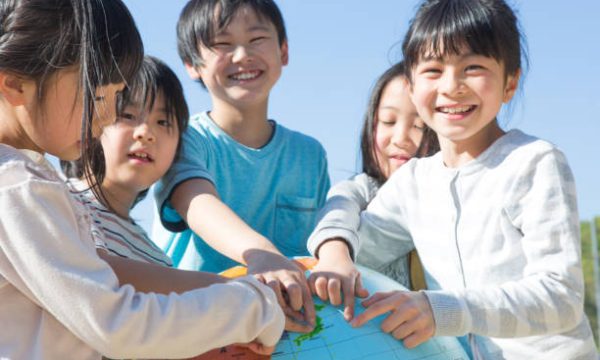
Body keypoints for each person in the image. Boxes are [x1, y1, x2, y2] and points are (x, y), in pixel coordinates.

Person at [312, 0, 597, 358]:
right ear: (412, 87)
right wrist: (335, 245)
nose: (452, 86)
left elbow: (561, 297)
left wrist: (442, 310)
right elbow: (362, 244)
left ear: (510, 82)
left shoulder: (535, 163)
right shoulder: (414, 182)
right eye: (433, 70)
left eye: (473, 67)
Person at [0, 1, 284, 358]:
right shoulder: (18, 186)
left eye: (115, 96)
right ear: (15, 83)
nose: (105, 115)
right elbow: (117, 325)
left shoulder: (27, 180)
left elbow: (105, 271)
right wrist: (254, 308)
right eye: (97, 95)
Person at [152, 0, 330, 329]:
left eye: (257, 39)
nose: (241, 55)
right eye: (222, 44)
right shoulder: (183, 138)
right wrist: (260, 253)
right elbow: (194, 199)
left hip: (283, 333)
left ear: (284, 51)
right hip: (196, 325)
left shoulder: (310, 154)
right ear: (192, 63)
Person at [307, 62, 438, 320]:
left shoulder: (450, 200)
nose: (400, 137)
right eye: (388, 121)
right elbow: (337, 210)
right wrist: (334, 253)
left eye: (420, 125)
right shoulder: (363, 191)